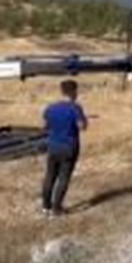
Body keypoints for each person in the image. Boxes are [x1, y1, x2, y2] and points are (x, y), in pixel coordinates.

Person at [41, 79, 88, 217]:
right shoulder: (75, 108)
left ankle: (46, 206)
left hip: (53, 146)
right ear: (73, 92)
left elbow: (46, 126)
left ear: (62, 91)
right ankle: (57, 208)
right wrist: (85, 121)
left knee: (49, 176)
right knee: (63, 178)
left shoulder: (50, 108)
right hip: (69, 146)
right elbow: (81, 127)